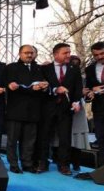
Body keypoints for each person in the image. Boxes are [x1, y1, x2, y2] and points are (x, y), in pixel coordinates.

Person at [36, 43, 83, 176]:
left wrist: (76, 102)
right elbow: (41, 87)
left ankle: (64, 165)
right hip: (47, 108)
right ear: (56, 54)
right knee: (44, 136)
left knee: (65, 137)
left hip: (66, 109)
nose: (68, 55)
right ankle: (42, 162)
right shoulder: (44, 69)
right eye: (65, 53)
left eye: (69, 52)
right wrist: (55, 89)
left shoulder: (74, 69)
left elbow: (78, 88)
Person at [5, 45, 48, 173]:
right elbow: (9, 85)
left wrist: (44, 87)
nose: (29, 55)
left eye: (31, 53)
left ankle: (27, 164)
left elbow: (46, 85)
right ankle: (13, 164)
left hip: (33, 110)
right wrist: (30, 89)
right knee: (12, 140)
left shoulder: (40, 68)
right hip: (15, 110)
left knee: (29, 141)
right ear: (20, 53)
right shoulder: (11, 67)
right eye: (26, 52)